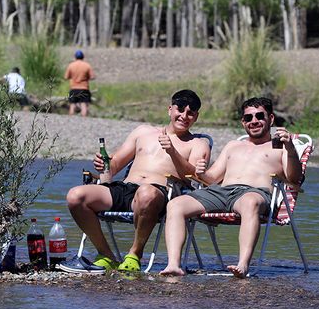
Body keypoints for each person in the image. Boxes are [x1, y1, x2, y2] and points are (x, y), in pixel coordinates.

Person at [58, 90, 210, 274]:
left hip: (160, 194)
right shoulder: (143, 132)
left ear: (196, 117)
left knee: (146, 192)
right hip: (126, 188)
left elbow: (195, 177)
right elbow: (114, 166)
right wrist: (104, 164)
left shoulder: (198, 143)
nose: (184, 116)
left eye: (191, 113)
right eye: (180, 109)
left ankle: (134, 254)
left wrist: (173, 152)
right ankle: (107, 255)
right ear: (170, 109)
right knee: (76, 196)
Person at [160, 97, 302, 278]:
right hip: (220, 193)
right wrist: (202, 173)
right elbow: (212, 179)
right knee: (176, 204)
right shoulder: (233, 145)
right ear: (243, 122)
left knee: (251, 202)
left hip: (253, 193)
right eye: (248, 118)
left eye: (260, 116)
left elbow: (295, 179)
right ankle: (174, 265)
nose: (254, 121)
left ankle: (242, 265)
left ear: (271, 119)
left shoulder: (281, 148)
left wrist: (290, 147)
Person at [64, 50, 95, 117]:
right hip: (84, 88)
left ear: (75, 57)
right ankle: (84, 121)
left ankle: (70, 119)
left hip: (74, 88)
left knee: (72, 105)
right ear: (83, 57)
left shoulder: (71, 65)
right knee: (84, 105)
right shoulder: (87, 65)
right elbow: (92, 77)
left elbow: (66, 77)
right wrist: (85, 77)